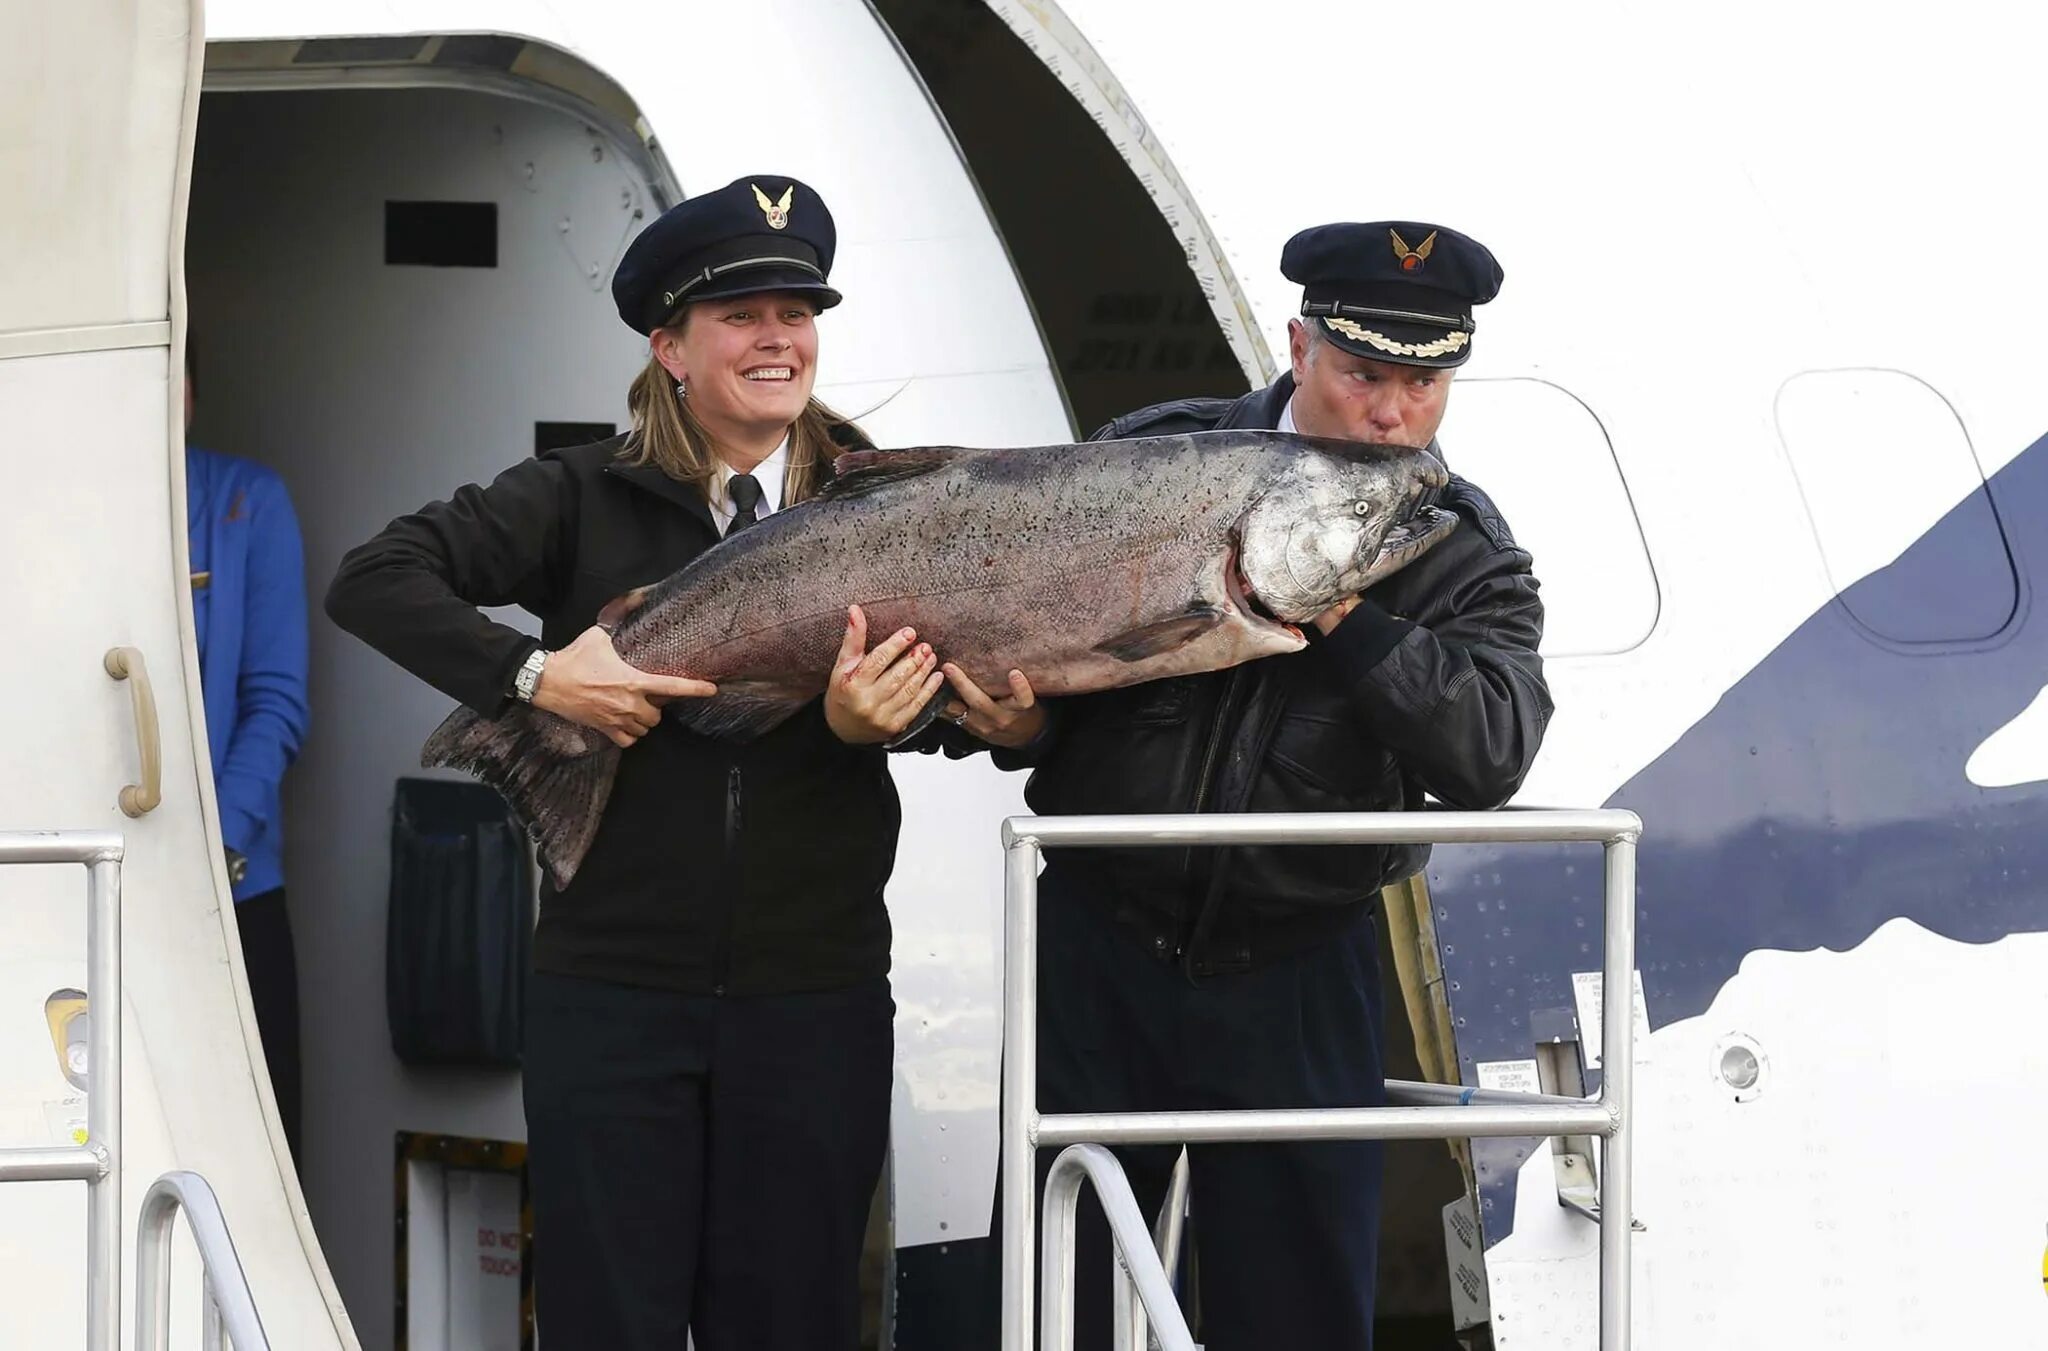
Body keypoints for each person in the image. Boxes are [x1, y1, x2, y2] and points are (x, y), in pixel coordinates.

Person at [325, 176, 943, 1350]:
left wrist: (886, 722)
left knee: (792, 1322)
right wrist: (532, 675)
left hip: (812, 1000)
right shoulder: (575, 496)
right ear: (669, 346)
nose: (778, 338)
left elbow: (968, 697)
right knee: (611, 1325)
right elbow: (374, 576)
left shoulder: (882, 498)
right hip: (608, 1000)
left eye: (796, 313)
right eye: (740, 315)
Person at [946, 221, 1553, 1348]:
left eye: (1421, 385)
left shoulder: (1457, 547)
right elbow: (1035, 654)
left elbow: (1491, 745)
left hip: (1298, 961)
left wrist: (1336, 604)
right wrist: (1016, 723)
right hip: (1096, 943)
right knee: (1048, 1297)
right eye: (1362, 374)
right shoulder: (1149, 458)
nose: (1388, 414)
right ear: (1298, 346)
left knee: (1295, 1308)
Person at [184, 344, 311, 1161]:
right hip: (76, 887)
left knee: (251, 1162)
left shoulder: (242, 499)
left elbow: (275, 703)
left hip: (234, 889)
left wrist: (209, 850)